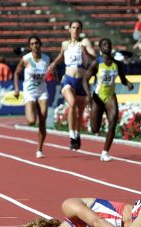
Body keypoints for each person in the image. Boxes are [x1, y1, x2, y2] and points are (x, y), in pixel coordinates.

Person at [83, 38, 134, 162]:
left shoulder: (117, 64)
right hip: (97, 97)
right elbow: (85, 79)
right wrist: (88, 95)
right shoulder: (96, 63)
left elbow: (122, 78)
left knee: (113, 120)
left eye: (109, 44)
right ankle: (95, 120)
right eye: (104, 44)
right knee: (95, 129)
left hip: (110, 96)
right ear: (100, 48)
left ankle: (105, 152)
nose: (107, 46)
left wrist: (128, 83)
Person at [48, 20, 96, 150]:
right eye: (73, 27)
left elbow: (94, 58)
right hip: (68, 79)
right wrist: (53, 64)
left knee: (80, 112)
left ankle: (77, 135)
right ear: (69, 30)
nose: (75, 30)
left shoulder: (84, 42)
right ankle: (71, 135)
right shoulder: (65, 44)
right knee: (72, 103)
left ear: (81, 30)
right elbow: (61, 56)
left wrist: (86, 52)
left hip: (82, 81)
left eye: (78, 28)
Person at [13, 36, 50, 158]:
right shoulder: (26, 59)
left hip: (42, 91)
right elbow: (16, 73)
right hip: (29, 91)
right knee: (31, 121)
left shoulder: (46, 59)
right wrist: (17, 89)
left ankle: (39, 149)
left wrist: (54, 76)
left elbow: (52, 73)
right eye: (32, 44)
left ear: (40, 44)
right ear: (30, 46)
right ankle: (32, 106)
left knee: (43, 120)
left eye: (37, 43)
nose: (35, 45)